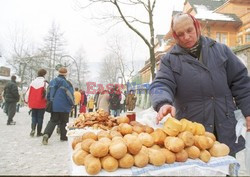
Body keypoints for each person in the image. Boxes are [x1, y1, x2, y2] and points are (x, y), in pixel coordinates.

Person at [149, 13, 250, 157]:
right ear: (176, 36)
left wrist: (248, 109)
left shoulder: (221, 51)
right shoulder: (170, 60)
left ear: (197, 27)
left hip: (225, 128)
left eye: (189, 30)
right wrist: (163, 102)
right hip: (192, 136)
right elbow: (161, 83)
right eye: (180, 34)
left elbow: (241, 81)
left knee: (226, 168)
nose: (186, 36)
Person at [42, 67, 74, 145]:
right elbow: (70, 95)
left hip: (54, 105)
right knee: (64, 121)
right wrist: (72, 103)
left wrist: (50, 100)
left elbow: (48, 94)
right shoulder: (68, 83)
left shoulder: (52, 82)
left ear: (58, 73)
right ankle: (63, 137)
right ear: (66, 74)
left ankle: (46, 134)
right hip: (65, 106)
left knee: (53, 120)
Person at [24, 69, 48, 137]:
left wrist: (26, 101)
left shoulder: (32, 82)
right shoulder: (45, 83)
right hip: (41, 103)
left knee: (34, 117)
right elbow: (47, 95)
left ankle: (33, 129)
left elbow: (27, 93)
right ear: (44, 74)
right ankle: (39, 132)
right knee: (40, 118)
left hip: (33, 103)